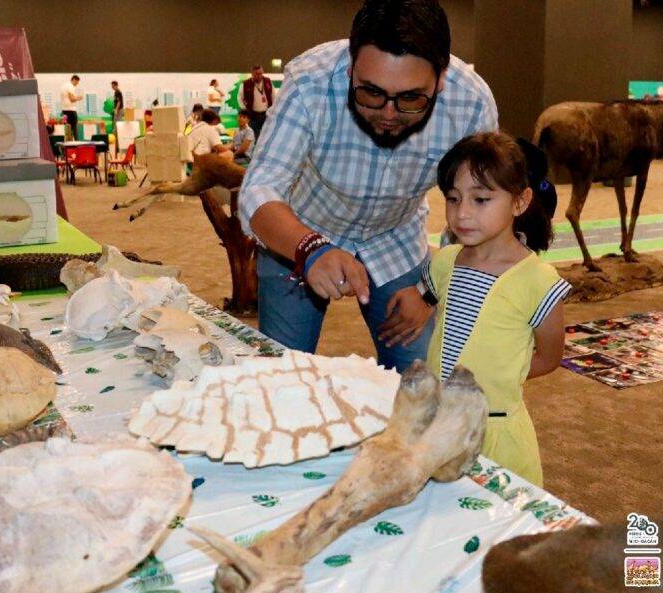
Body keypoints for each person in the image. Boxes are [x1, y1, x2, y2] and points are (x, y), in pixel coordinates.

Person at [239, 0, 497, 372]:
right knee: (281, 377)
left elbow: (478, 212)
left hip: (397, 241)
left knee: (418, 381)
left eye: (411, 98)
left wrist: (430, 289)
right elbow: (259, 188)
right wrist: (309, 249)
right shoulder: (310, 81)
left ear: (441, 78)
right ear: (350, 67)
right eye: (371, 92)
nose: (388, 114)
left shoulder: (471, 103)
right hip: (298, 236)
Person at [399, 131, 570, 486]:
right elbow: (430, 308)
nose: (461, 214)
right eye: (453, 198)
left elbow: (549, 357)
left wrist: (501, 377)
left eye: (481, 199)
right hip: (438, 426)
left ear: (520, 202)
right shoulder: (444, 262)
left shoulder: (538, 281)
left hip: (496, 435)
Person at [241, 65, 274, 140]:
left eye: (261, 73)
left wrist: (273, 108)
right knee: (254, 137)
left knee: (267, 136)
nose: (259, 76)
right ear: (252, 74)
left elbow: (273, 95)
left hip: (266, 114)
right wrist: (244, 109)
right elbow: (240, 98)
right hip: (253, 115)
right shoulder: (246, 84)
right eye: (257, 74)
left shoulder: (268, 81)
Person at [60, 75, 83, 140]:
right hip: (71, 111)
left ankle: (69, 144)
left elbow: (68, 97)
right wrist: (79, 98)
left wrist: (76, 97)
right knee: (74, 128)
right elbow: (72, 99)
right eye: (77, 82)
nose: (77, 84)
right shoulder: (70, 86)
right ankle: (77, 143)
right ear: (74, 80)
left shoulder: (63, 86)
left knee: (68, 128)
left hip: (64, 110)